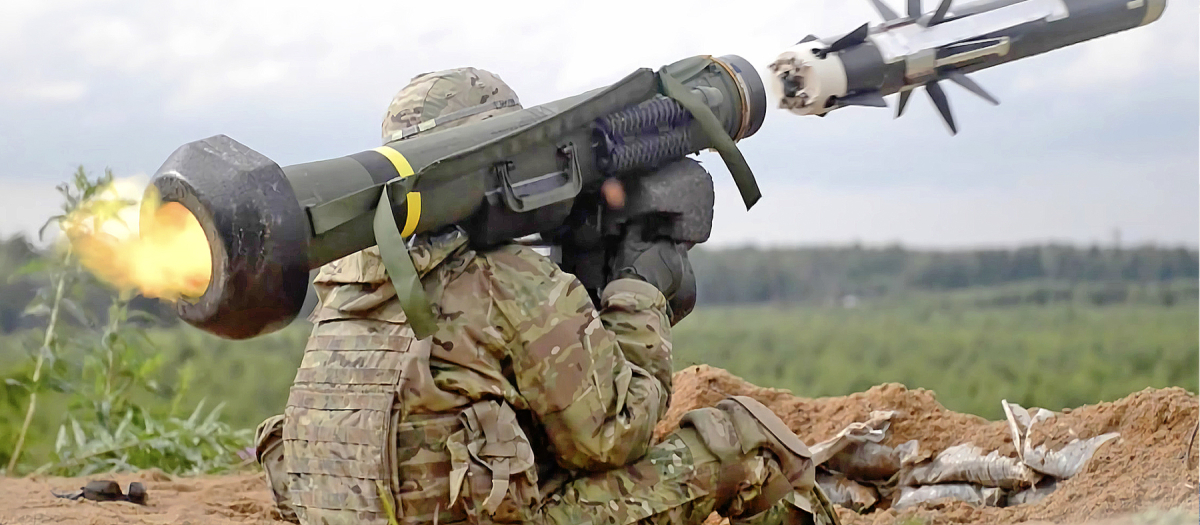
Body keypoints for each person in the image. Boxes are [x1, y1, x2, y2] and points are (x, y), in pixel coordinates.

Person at [254, 67, 839, 525]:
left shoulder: (347, 277)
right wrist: (639, 290)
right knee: (744, 440)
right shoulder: (502, 281)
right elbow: (614, 436)